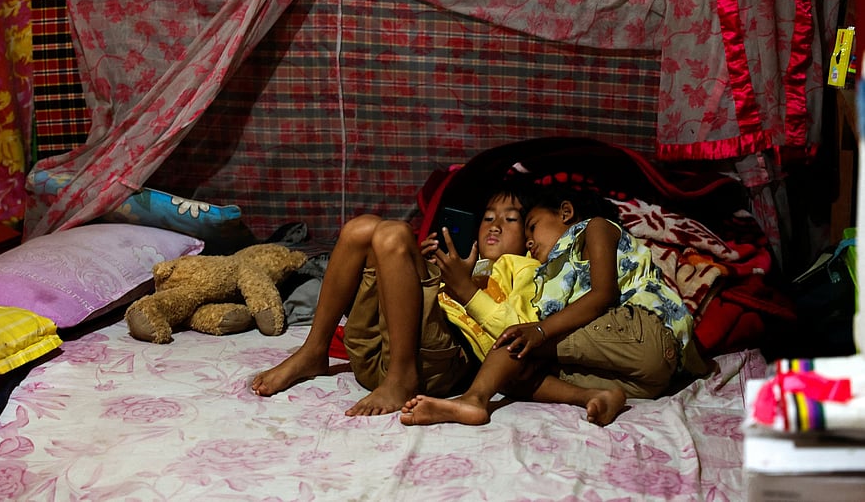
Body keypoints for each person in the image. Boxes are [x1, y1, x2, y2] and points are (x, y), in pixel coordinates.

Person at [400, 185, 709, 427]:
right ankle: (597, 396)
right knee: (515, 376)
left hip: (641, 329)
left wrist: (539, 330)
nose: (529, 240)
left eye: (531, 227)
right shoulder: (548, 277)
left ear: (565, 212)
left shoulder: (594, 228)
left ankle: (474, 399)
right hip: (646, 380)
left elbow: (603, 294)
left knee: (516, 340)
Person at [250, 180, 537, 416]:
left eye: (510, 219)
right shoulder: (460, 261)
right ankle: (313, 351)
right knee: (360, 228)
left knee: (395, 234)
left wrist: (465, 289)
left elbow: (520, 332)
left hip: (439, 366)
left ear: (528, 238)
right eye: (488, 217)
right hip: (376, 351)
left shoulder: (522, 267)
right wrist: (420, 266)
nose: (496, 224)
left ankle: (402, 378)